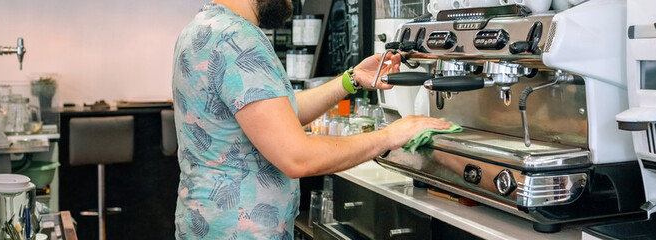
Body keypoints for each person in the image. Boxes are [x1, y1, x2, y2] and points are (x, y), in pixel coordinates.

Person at [171, 0, 451, 239]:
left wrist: (350, 80)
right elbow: (297, 157)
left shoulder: (200, 28)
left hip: (202, 224)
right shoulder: (240, 39)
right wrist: (389, 137)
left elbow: (275, 115)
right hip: (242, 231)